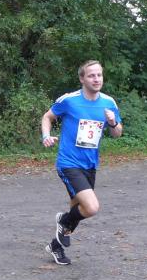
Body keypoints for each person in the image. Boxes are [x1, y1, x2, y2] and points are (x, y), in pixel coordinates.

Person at [40, 60, 123, 265]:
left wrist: (113, 122)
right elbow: (47, 117)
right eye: (91, 75)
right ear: (82, 79)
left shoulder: (109, 103)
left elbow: (117, 134)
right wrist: (46, 136)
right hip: (69, 163)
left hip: (90, 165)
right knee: (91, 207)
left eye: (99, 75)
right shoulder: (69, 100)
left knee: (77, 210)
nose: (96, 79)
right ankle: (62, 220)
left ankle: (55, 246)